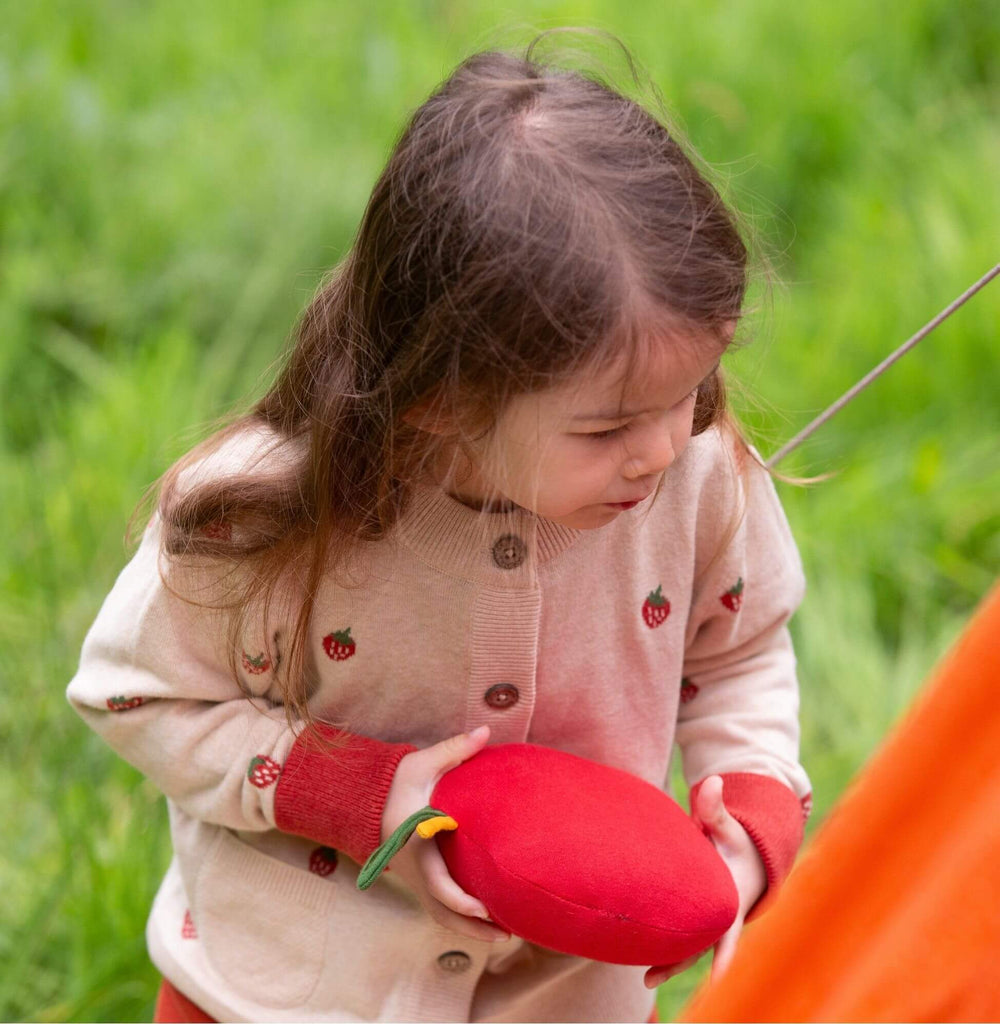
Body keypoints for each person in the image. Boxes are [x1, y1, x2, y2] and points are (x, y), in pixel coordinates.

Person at [68, 35, 812, 1024]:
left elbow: (738, 649)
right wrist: (347, 787)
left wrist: (748, 808)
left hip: (555, 1000)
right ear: (438, 400)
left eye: (689, 392)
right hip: (283, 994)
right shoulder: (271, 518)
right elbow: (135, 693)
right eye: (606, 426)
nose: (662, 447)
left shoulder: (696, 470)